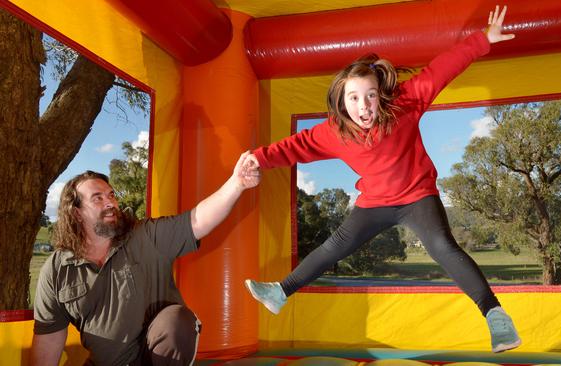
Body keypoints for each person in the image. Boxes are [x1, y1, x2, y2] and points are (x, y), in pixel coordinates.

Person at [243, 5, 520, 353]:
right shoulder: (335, 133)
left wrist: (483, 40)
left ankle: (495, 315)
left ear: (381, 95)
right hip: (375, 202)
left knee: (442, 247)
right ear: (342, 103)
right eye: (355, 98)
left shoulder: (405, 104)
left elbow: (441, 70)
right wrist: (258, 156)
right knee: (334, 246)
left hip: (417, 196)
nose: (364, 106)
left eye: (370, 96)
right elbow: (295, 146)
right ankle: (280, 292)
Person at [30, 152, 260, 366]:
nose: (110, 202)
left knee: (177, 321)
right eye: (97, 198)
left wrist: (236, 184)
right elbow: (49, 340)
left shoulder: (146, 235)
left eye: (111, 195)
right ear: (76, 213)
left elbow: (198, 221)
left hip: (153, 358)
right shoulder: (57, 269)